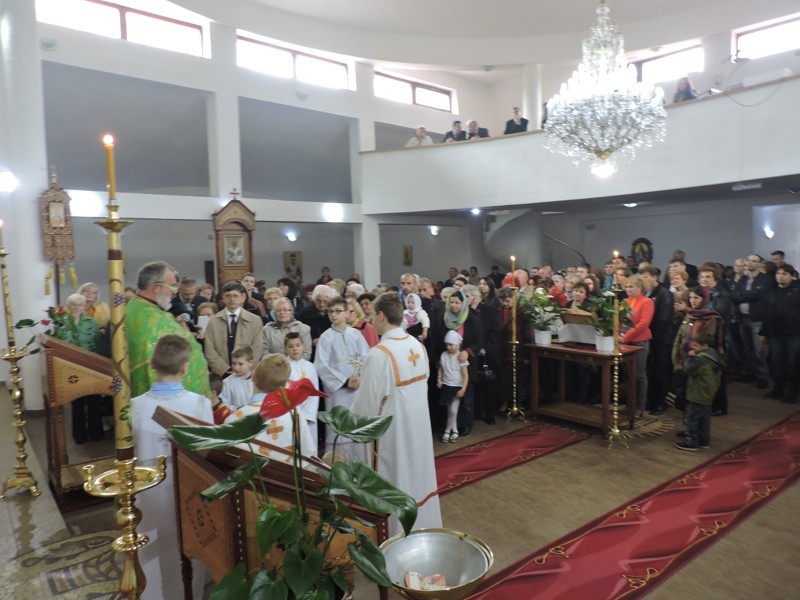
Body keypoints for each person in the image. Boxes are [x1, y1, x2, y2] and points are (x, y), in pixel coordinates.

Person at [351, 292, 442, 537]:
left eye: (373, 315)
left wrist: (350, 425)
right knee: (418, 478)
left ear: (381, 316)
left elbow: (366, 406)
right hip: (418, 429)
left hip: (393, 436)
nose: (371, 320)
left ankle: (395, 539)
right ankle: (425, 530)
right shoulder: (417, 346)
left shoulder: (379, 354)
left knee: (395, 481)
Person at [131, 334, 213, 600]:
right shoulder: (200, 404)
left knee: (152, 545)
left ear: (152, 364)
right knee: (189, 545)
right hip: (189, 489)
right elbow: (208, 453)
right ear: (185, 368)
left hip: (148, 490)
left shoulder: (135, 406)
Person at [126, 261, 210, 398]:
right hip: (166, 400)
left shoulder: (135, 309)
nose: (174, 292)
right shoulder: (151, 319)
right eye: (172, 286)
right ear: (156, 288)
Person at [224, 353, 317, 456]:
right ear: (285, 384)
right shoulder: (295, 414)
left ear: (254, 376)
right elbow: (309, 456)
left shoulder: (236, 419)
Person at [314, 296, 370, 460]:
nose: (333, 315)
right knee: (338, 429)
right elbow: (321, 366)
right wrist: (345, 381)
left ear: (347, 313)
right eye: (330, 312)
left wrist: (358, 376)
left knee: (356, 425)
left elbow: (364, 357)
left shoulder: (356, 335)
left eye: (338, 311)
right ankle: (338, 463)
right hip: (337, 393)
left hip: (356, 389)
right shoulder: (326, 337)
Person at [54, 293, 104, 444]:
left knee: (93, 400)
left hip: (91, 365)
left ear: (84, 307)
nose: (76, 307)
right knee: (77, 402)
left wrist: (101, 365)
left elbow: (98, 344)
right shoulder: (62, 323)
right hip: (71, 366)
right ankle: (79, 436)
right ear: (68, 307)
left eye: (79, 305)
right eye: (73, 305)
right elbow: (59, 343)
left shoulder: (91, 322)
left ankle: (96, 433)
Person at [203, 281, 264, 377]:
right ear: (223, 298)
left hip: (247, 375)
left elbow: (257, 348)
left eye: (235, 296)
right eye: (228, 296)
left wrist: (243, 368)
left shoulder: (255, 321)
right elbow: (210, 350)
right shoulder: (213, 321)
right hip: (221, 375)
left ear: (243, 297)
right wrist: (224, 370)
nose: (232, 299)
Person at [675, 332, 722, 452]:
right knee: (704, 418)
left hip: (698, 393)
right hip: (707, 393)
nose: (693, 348)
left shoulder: (701, 359)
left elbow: (688, 369)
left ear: (705, 346)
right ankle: (703, 441)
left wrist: (690, 357)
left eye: (696, 345)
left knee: (692, 418)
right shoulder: (713, 356)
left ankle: (691, 441)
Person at [760, 264, 800, 404]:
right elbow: (766, 314)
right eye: (779, 273)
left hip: (794, 333)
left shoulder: (797, 290)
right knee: (777, 363)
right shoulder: (771, 291)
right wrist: (763, 332)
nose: (780, 276)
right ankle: (778, 389)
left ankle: (792, 391)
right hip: (775, 334)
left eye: (784, 274)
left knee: (794, 364)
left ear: (791, 276)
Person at [621, 275, 654, 413]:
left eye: (631, 286)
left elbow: (643, 323)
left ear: (640, 287)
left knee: (639, 374)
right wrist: (617, 334)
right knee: (628, 374)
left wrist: (625, 337)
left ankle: (640, 406)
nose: (628, 289)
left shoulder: (647, 302)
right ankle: (629, 404)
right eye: (626, 287)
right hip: (624, 341)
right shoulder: (625, 301)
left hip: (639, 342)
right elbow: (619, 320)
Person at [284, 332, 320, 444]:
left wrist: (308, 414)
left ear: (303, 346)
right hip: (290, 413)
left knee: (308, 444)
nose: (295, 349)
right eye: (290, 346)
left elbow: (314, 393)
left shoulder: (310, 367)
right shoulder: (283, 367)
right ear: (285, 349)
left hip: (307, 415)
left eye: (298, 345)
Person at [438, 330, 469, 442]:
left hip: (456, 386)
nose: (448, 347)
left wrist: (463, 389)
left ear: (457, 345)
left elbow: (465, 375)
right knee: (449, 411)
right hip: (447, 385)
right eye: (447, 344)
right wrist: (439, 379)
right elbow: (441, 368)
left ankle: (447, 430)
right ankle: (455, 431)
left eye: (451, 345)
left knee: (453, 411)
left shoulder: (460, 357)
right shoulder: (443, 355)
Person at [220, 344, 255, 409]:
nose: (236, 367)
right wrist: (237, 409)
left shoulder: (258, 381)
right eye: (234, 363)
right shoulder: (227, 383)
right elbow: (224, 403)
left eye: (240, 364)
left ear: (250, 363)